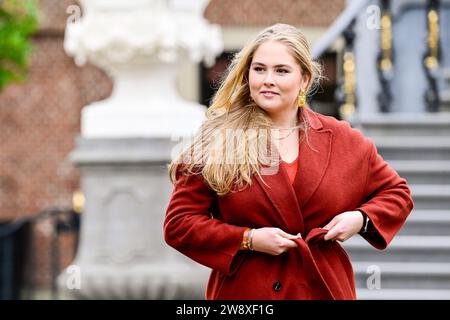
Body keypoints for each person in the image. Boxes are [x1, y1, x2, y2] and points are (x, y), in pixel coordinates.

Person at [164, 23, 414, 300]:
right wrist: (248, 239)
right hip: (246, 293)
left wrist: (361, 218)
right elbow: (179, 224)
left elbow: (397, 193)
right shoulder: (218, 138)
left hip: (323, 288)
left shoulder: (343, 139)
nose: (267, 79)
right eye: (259, 69)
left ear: (304, 79)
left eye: (281, 70)